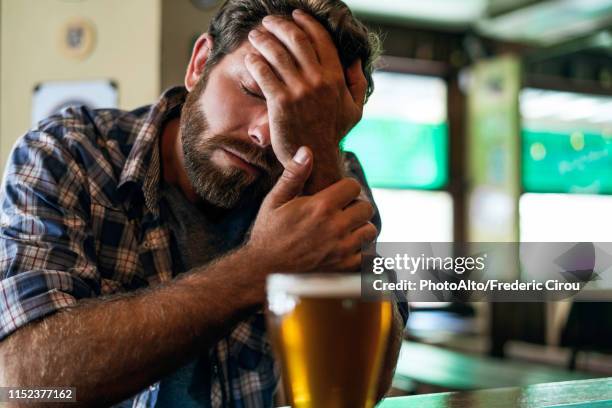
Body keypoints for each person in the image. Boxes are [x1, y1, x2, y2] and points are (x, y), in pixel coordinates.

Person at [0, 0, 408, 406]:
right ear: (199, 64)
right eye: (253, 90)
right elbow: (23, 386)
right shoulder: (67, 154)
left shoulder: (333, 176)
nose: (264, 133)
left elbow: (361, 388)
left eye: (301, 115)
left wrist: (319, 159)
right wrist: (260, 267)